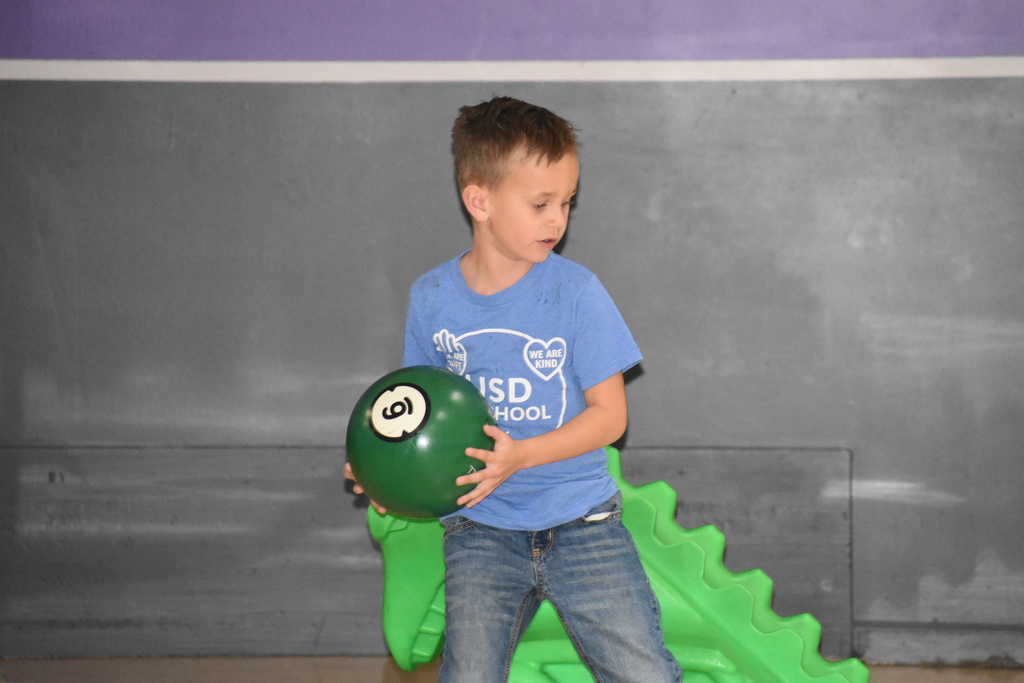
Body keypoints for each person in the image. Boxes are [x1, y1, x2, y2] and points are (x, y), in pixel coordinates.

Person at [347, 96, 681, 682]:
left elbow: (610, 419)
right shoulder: (431, 298)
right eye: (540, 204)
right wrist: (385, 473)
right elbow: (416, 416)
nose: (559, 220)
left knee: (643, 673)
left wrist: (521, 455)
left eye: (568, 203)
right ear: (479, 200)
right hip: (482, 531)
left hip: (584, 525)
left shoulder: (577, 293)